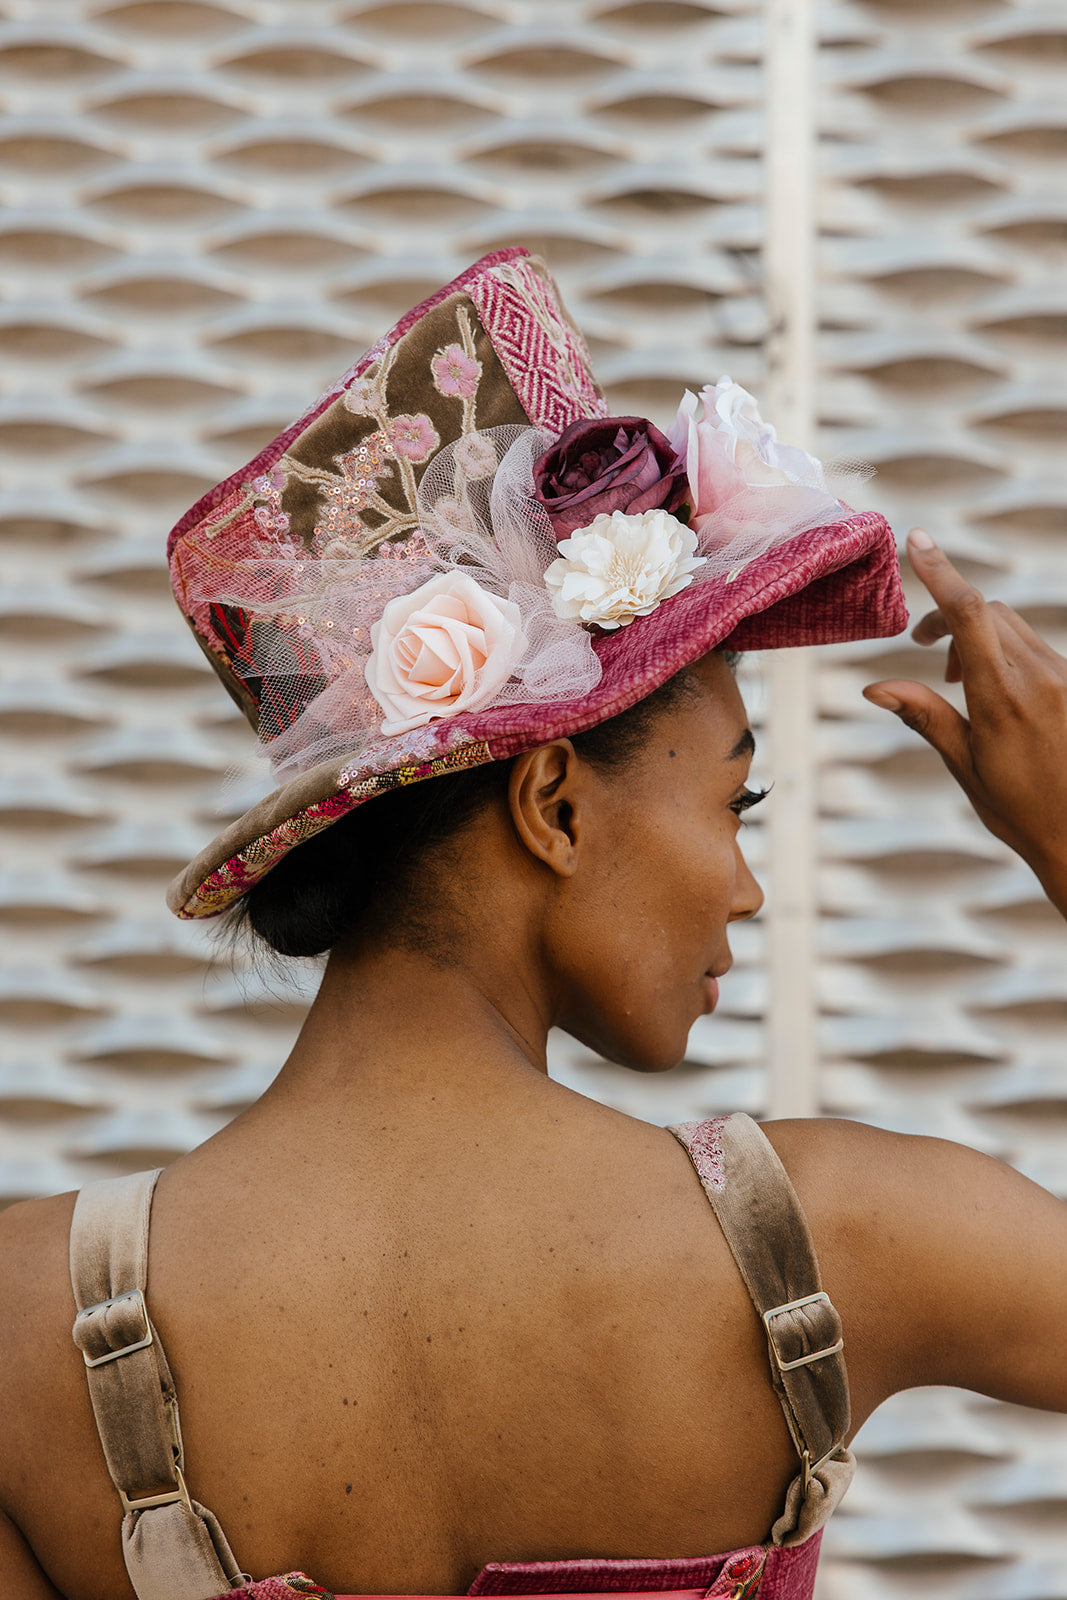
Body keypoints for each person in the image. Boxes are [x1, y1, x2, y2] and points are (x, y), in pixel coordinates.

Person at [0, 253, 1064, 1600]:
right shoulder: (841, 1240)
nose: (747, 889)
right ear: (552, 805)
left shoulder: (24, 1329)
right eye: (740, 802)